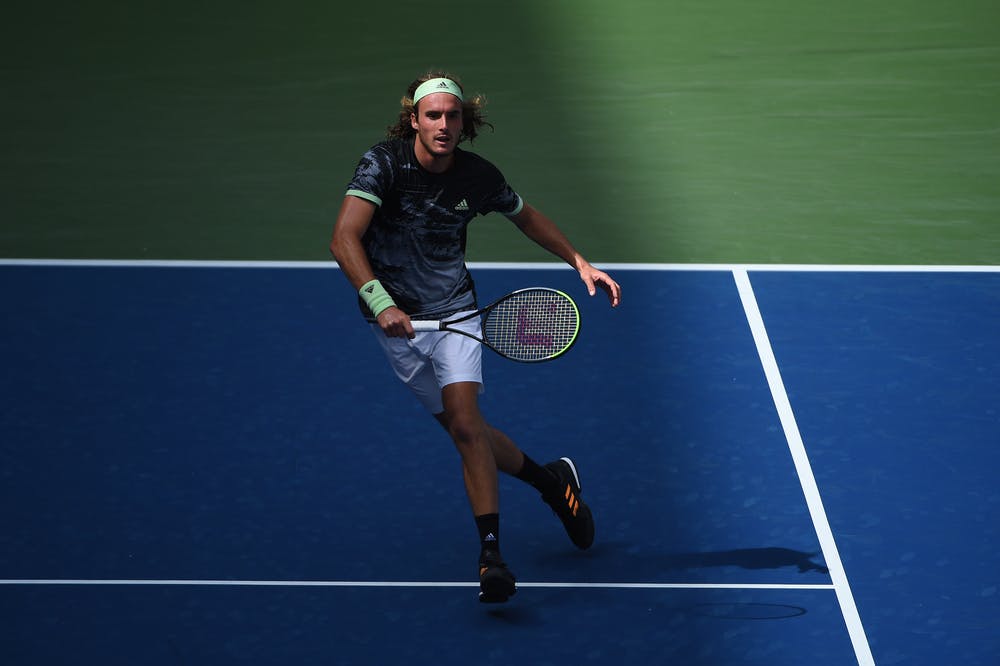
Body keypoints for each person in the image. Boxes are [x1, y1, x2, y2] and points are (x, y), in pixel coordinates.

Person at [330, 71, 621, 603]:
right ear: (413, 120)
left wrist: (578, 260)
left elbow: (526, 217)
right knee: (470, 435)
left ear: (465, 121)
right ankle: (551, 482)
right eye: (433, 115)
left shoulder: (477, 175)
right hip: (394, 324)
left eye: (452, 115)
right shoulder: (384, 164)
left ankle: (492, 558)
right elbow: (343, 236)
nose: (443, 125)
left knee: (465, 425)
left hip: (457, 314)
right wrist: (381, 301)